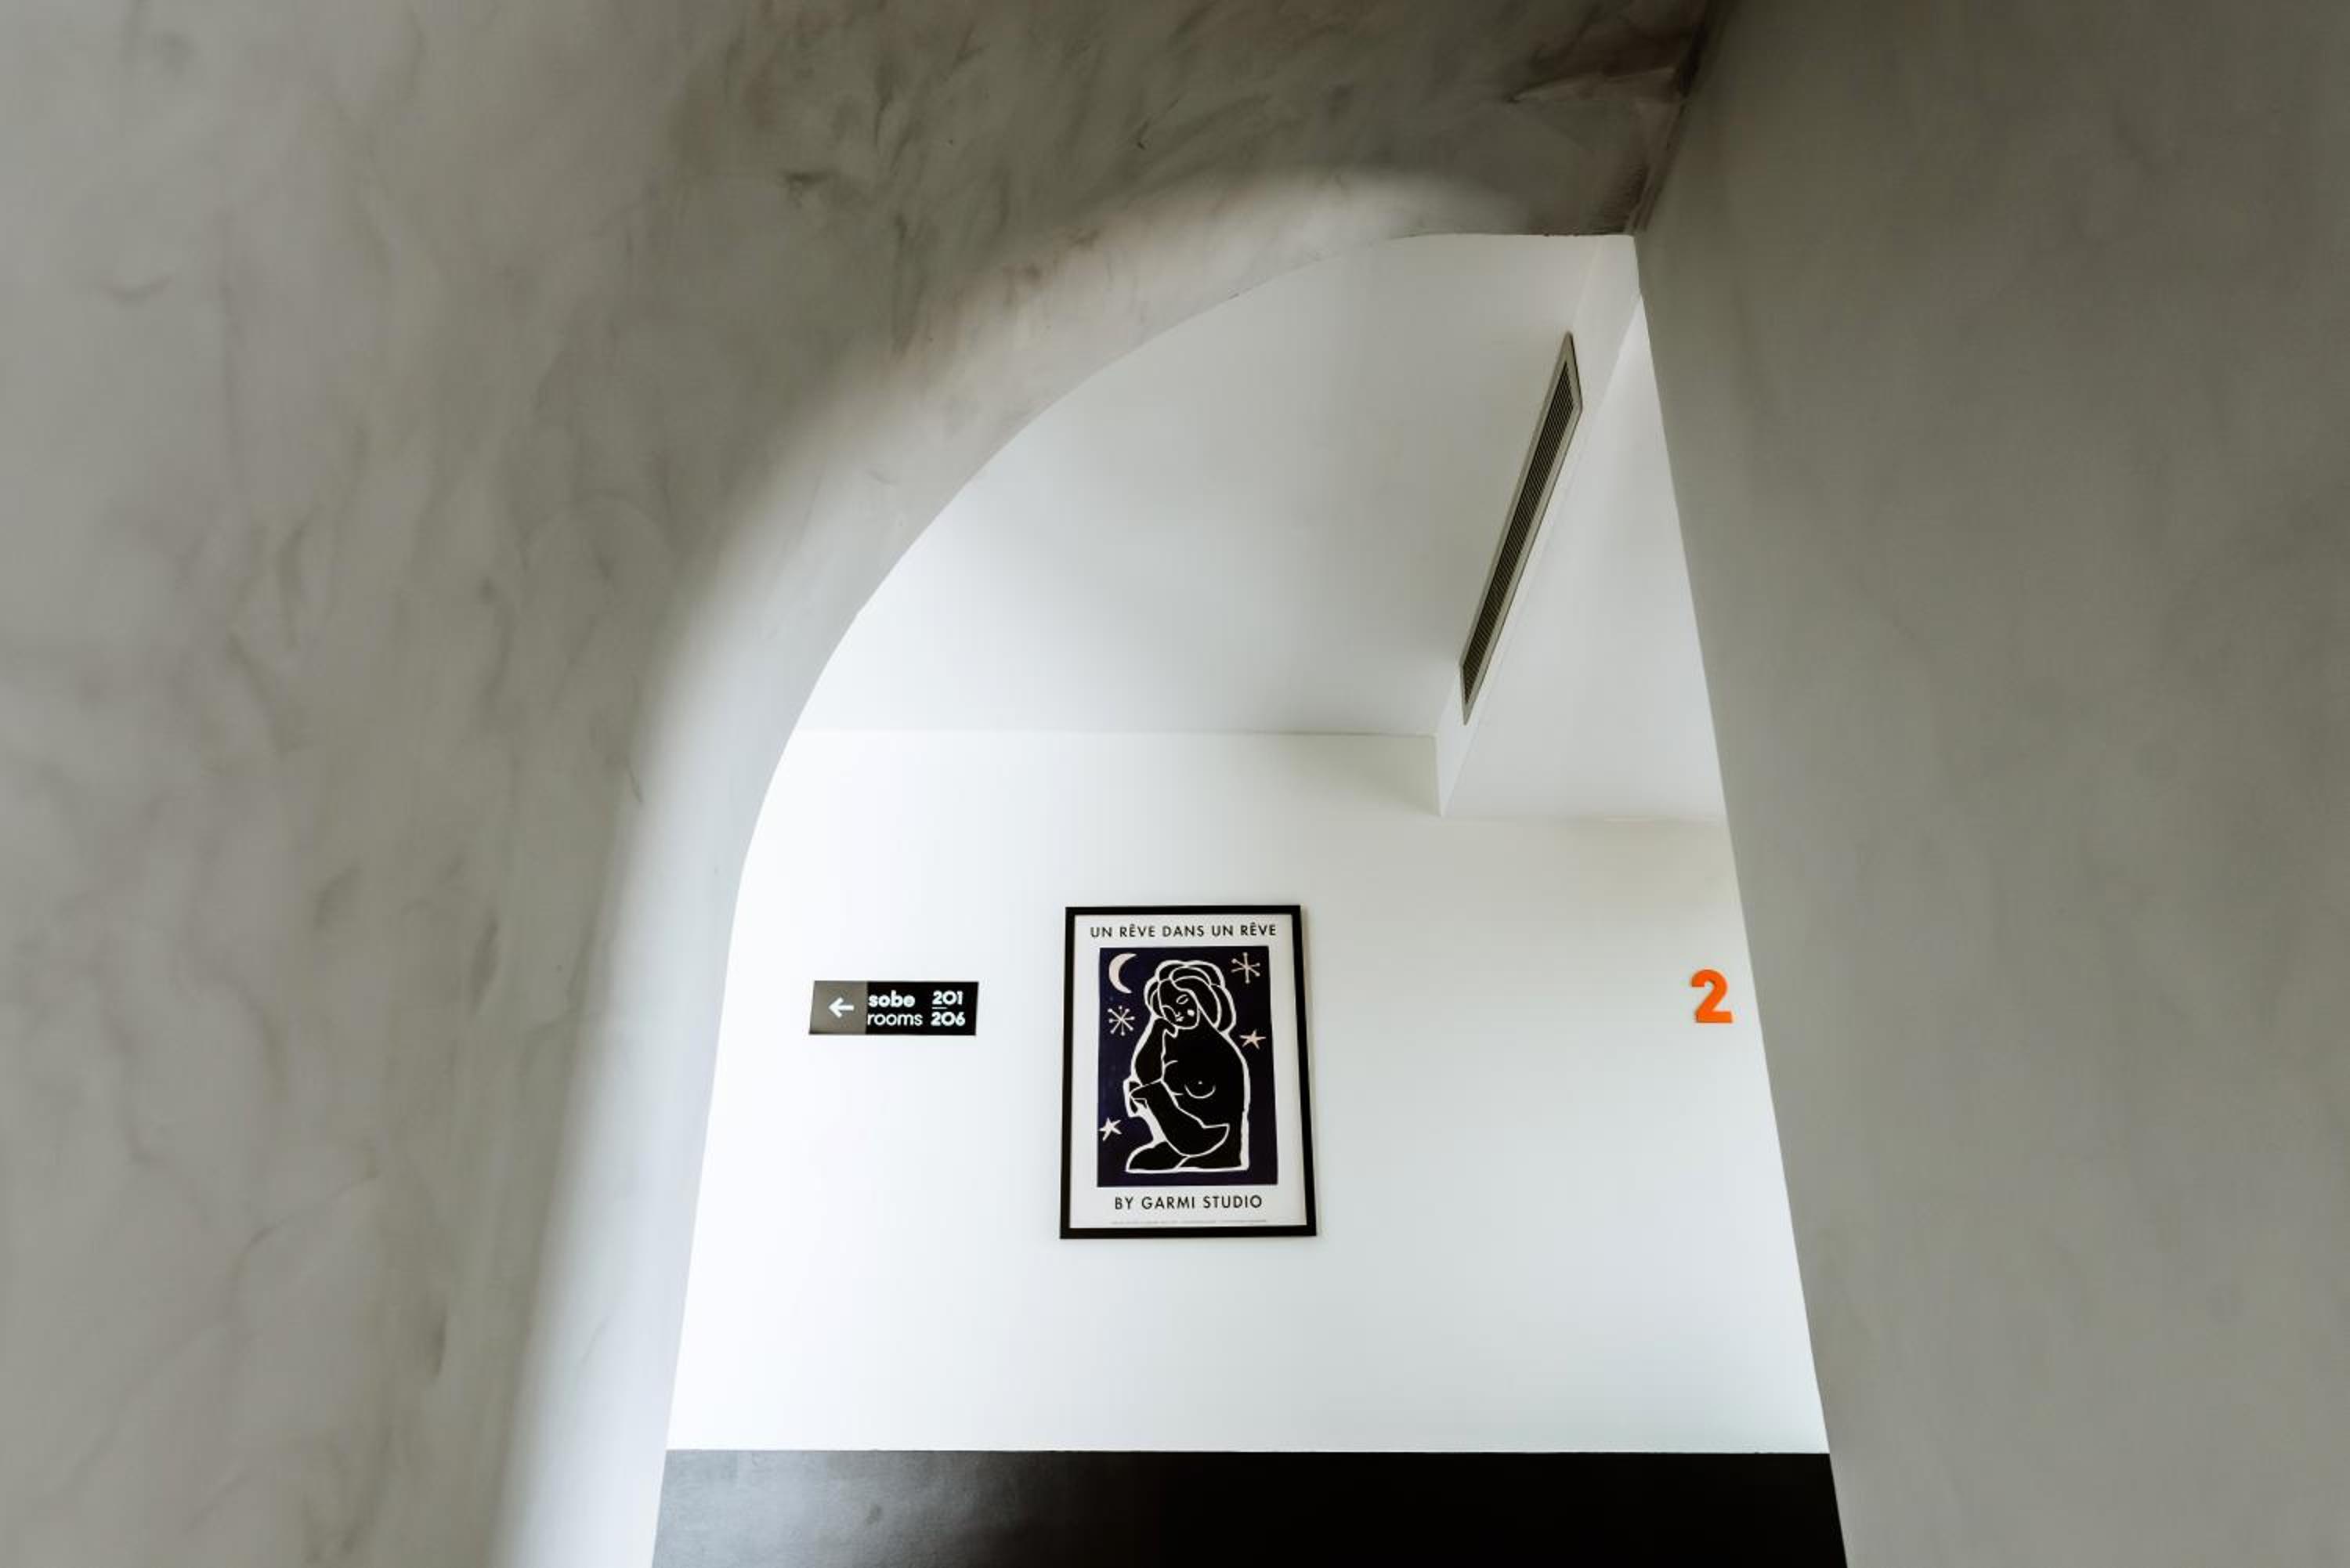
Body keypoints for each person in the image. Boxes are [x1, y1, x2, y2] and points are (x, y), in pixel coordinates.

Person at [1122, 958, 1249, 1172]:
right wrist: (1157, 1029)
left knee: (1154, 1094)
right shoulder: (1176, 1043)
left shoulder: (1217, 1048)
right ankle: (1180, 1148)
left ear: (1201, 998)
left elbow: (1205, 1093)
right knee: (1140, 1163)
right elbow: (1146, 1075)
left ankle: (1215, 1156)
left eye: (1182, 1001)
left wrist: (1161, 1091)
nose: (1177, 1013)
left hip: (1218, 1136)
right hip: (1184, 1136)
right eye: (1168, 1010)